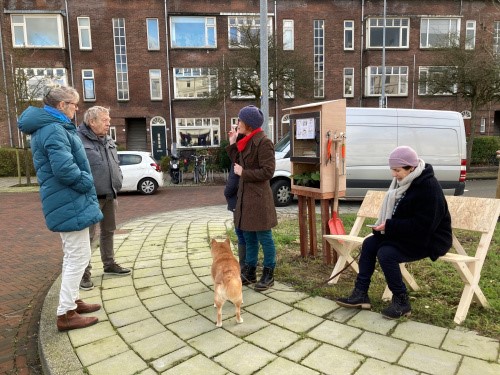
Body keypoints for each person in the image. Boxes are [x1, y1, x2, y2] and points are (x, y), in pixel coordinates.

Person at [17, 86, 103, 331]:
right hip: (69, 199)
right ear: (61, 105)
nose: (77, 109)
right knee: (78, 256)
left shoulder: (51, 127)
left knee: (74, 254)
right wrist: (87, 181)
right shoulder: (54, 129)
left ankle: (72, 301)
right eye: (74, 105)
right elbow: (64, 169)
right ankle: (65, 313)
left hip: (66, 199)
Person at [336, 146, 452, 319]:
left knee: (386, 253)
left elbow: (424, 226)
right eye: (392, 170)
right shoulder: (404, 183)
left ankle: (401, 301)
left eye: (397, 170)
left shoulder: (428, 187)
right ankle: (360, 294)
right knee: (369, 244)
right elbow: (400, 216)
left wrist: (389, 226)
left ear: (411, 168)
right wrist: (383, 228)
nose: (394, 175)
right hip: (406, 235)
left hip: (429, 239)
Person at [77, 106, 131, 291]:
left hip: (110, 194)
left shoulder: (108, 139)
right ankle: (84, 273)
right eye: (105, 120)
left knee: (108, 231)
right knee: (88, 236)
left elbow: (114, 164)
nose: (109, 123)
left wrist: (118, 180)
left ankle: (109, 264)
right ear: (92, 122)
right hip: (90, 197)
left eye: (109, 120)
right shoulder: (78, 140)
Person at [227, 105, 278, 291]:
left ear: (248, 123)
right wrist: (233, 142)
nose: (237, 123)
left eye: (239, 120)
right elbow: (238, 163)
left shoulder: (264, 142)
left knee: (265, 237)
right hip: (246, 197)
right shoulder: (245, 140)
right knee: (248, 236)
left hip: (259, 198)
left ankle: (268, 273)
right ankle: (249, 272)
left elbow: (268, 171)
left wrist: (244, 173)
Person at [224, 133, 246, 271]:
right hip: (242, 200)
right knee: (247, 234)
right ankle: (246, 264)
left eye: (237, 128)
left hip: (237, 202)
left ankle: (244, 265)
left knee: (241, 233)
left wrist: (226, 193)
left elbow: (231, 185)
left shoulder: (238, 158)